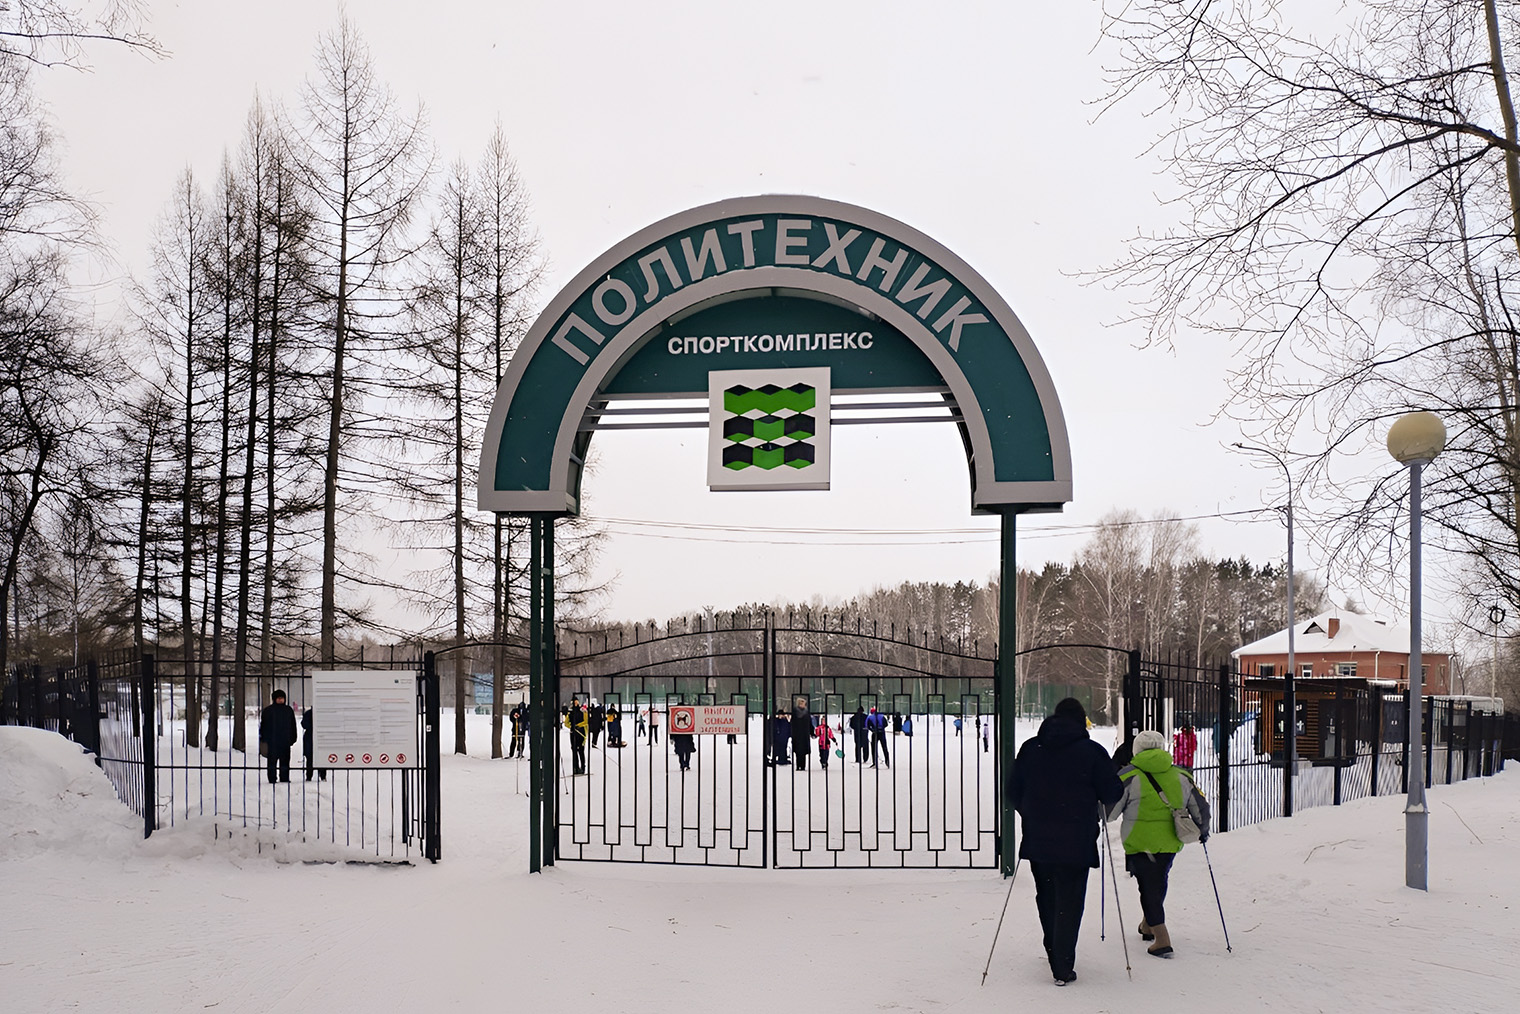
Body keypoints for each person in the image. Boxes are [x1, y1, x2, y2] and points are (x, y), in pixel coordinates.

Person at [1009, 697, 1124, 987]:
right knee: (1070, 902)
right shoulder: (1092, 752)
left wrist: (1033, 812)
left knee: (1046, 897)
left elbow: (1012, 790)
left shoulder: (1031, 749)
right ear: (1081, 720)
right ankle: (1062, 962)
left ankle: (1054, 953)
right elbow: (1112, 792)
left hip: (1039, 840)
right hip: (1077, 838)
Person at [1110, 729, 1211, 959]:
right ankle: (1148, 925)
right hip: (1170, 841)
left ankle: (1161, 939)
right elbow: (1200, 807)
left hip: (1139, 841)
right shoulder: (1182, 776)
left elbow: (1111, 813)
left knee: (1148, 887)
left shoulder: (1128, 776)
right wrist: (1203, 830)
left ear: (1136, 750)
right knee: (1157, 881)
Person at [258, 689, 298, 784]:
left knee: (285, 761)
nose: (281, 700)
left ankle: (284, 777)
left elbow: (293, 725)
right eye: (279, 698)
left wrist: (293, 738)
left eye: (282, 698)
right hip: (273, 740)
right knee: (272, 761)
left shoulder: (288, 710)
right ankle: (272, 778)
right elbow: (264, 725)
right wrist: (264, 738)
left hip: (285, 740)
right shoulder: (268, 711)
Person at [301, 707, 326, 782]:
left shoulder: (322, 713)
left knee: (321, 756)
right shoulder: (308, 713)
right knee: (310, 757)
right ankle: (309, 775)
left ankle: (322, 775)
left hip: (319, 736)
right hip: (310, 737)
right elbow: (304, 724)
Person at [791, 699, 814, 770]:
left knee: (802, 752)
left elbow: (809, 724)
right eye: (803, 703)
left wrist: (812, 732)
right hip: (798, 735)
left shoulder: (806, 712)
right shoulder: (795, 712)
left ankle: (802, 766)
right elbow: (792, 724)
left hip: (803, 735)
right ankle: (799, 765)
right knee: (799, 752)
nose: (804, 705)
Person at [567, 698, 588, 775]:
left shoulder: (582, 711)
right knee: (574, 751)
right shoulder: (570, 712)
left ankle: (582, 767)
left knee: (581, 751)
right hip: (574, 733)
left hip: (580, 733)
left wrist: (577, 726)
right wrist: (572, 727)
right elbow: (566, 722)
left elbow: (586, 721)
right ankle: (575, 768)